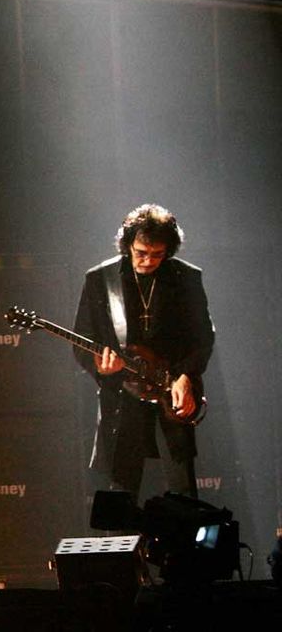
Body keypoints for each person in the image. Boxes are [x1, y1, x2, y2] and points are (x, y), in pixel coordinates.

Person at [72, 204, 214, 502]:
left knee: (183, 491)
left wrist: (187, 376)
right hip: (124, 395)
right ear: (128, 245)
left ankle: (184, 548)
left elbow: (203, 337)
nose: (148, 261)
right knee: (121, 492)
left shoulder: (186, 278)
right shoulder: (100, 279)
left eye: (157, 255)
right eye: (141, 253)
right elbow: (81, 339)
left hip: (171, 391)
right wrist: (99, 366)